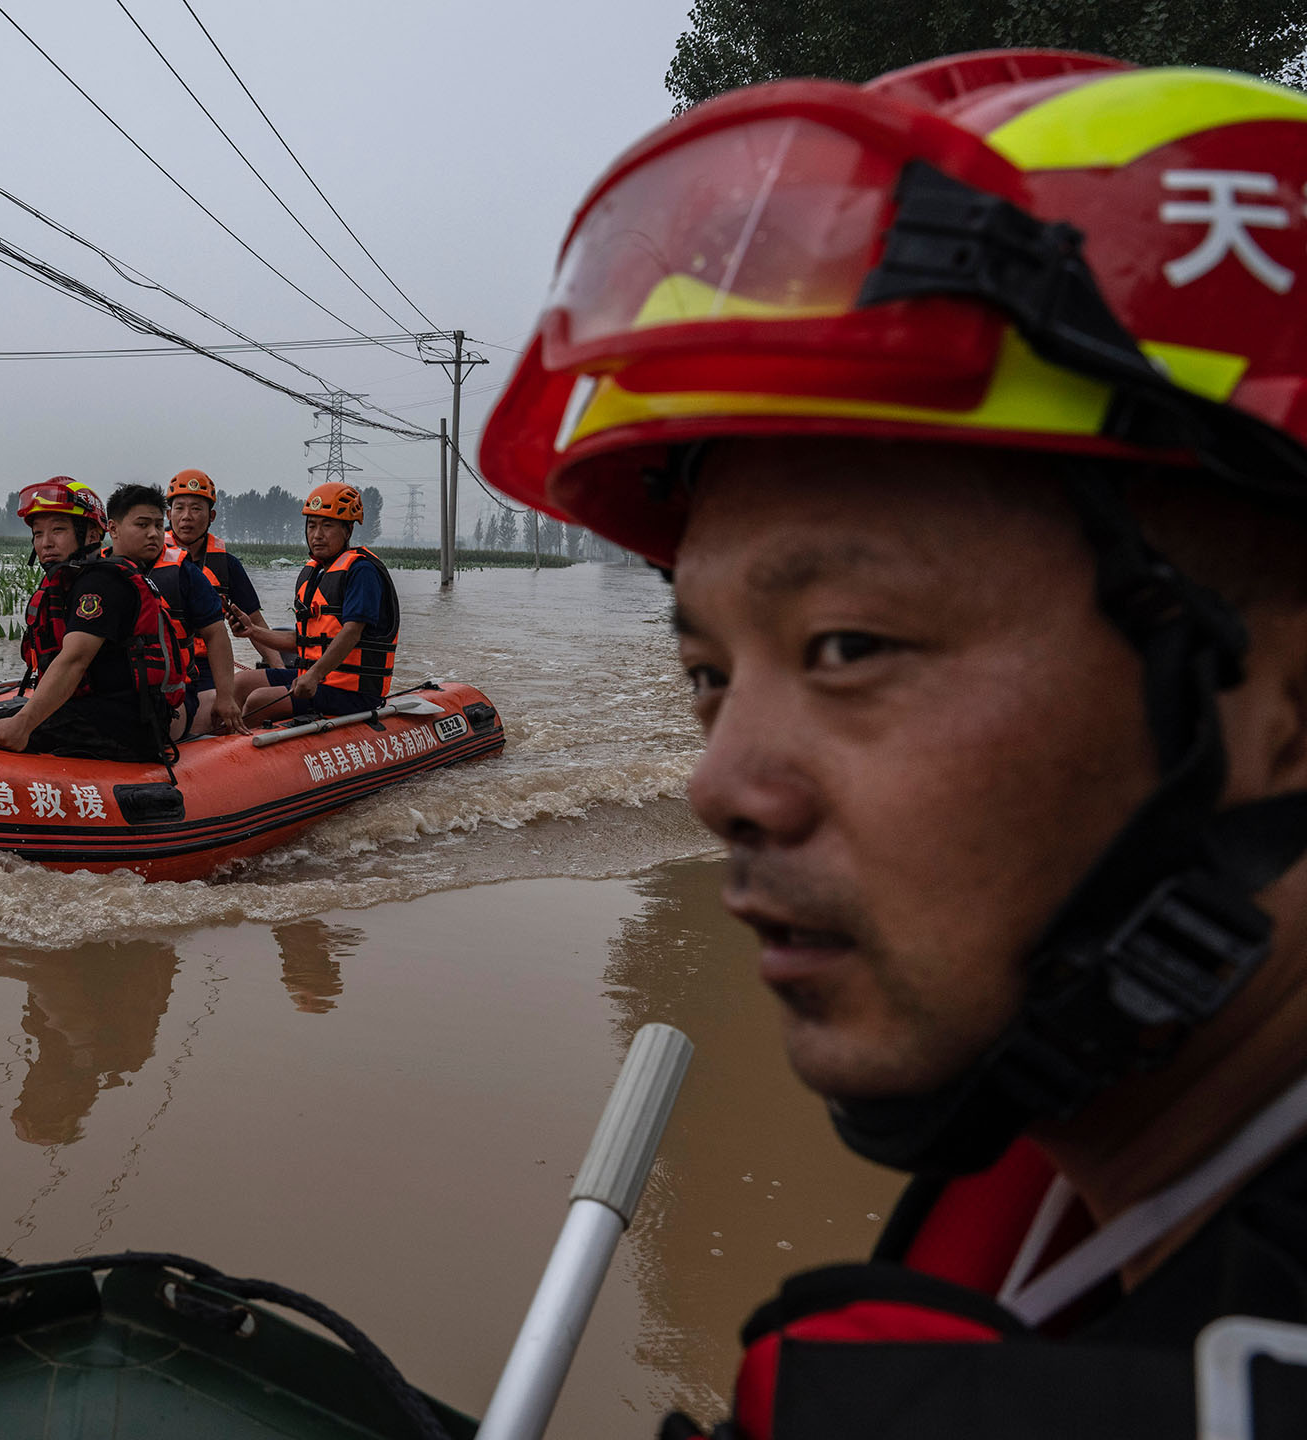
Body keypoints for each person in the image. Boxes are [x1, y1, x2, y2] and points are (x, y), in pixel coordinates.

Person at [476, 50, 1307, 1436]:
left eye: (852, 648)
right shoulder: (1097, 1156)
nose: (720, 786)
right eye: (706, 671)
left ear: (1286, 708)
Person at [0, 481, 232, 760]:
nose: (46, 543)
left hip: (128, 720)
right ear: (112, 529)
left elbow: (74, 660)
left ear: (93, 535)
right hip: (108, 706)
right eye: (38, 533)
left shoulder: (103, 582)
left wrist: (23, 723)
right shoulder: (75, 581)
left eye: (58, 530)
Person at [234, 481, 399, 724]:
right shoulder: (312, 574)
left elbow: (352, 633)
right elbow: (302, 640)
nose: (317, 535)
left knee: (259, 699)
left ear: (348, 531)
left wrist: (314, 675)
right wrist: (253, 630)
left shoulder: (362, 572)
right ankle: (217, 743)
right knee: (241, 682)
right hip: (316, 679)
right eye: (312, 526)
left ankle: (241, 753)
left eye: (327, 526)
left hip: (353, 692)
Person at [165, 468, 285, 682]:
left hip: (208, 665)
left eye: (196, 509)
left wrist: (281, 671)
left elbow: (254, 622)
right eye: (179, 508)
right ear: (168, 515)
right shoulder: (148, 559)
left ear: (211, 516)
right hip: (162, 663)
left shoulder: (226, 565)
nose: (186, 517)